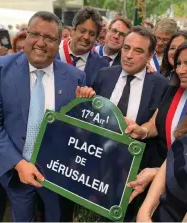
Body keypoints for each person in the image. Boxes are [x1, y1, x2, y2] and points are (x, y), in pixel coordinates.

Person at [0, 11, 85, 222]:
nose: (41, 42)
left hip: (58, 176)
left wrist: (88, 102)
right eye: (35, 34)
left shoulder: (75, 77)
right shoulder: (0, 69)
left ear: (60, 42)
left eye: (49, 38)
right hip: (16, 171)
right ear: (26, 36)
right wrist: (18, 164)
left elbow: (79, 130)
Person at [76, 26, 169, 221]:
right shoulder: (104, 75)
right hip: (95, 168)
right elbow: (88, 117)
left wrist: (141, 131)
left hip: (133, 175)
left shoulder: (161, 85)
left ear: (150, 55)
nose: (128, 55)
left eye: (138, 51)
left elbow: (157, 125)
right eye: (126, 48)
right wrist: (83, 101)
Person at [137, 41, 187, 222]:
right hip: (164, 194)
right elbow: (155, 125)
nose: (181, 70)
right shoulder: (173, 90)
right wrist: (141, 130)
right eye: (179, 63)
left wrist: (158, 173)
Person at [57, 6, 109, 86]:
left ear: (96, 37)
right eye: (82, 31)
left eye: (92, 34)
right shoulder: (54, 52)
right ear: (73, 31)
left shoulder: (102, 65)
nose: (86, 37)